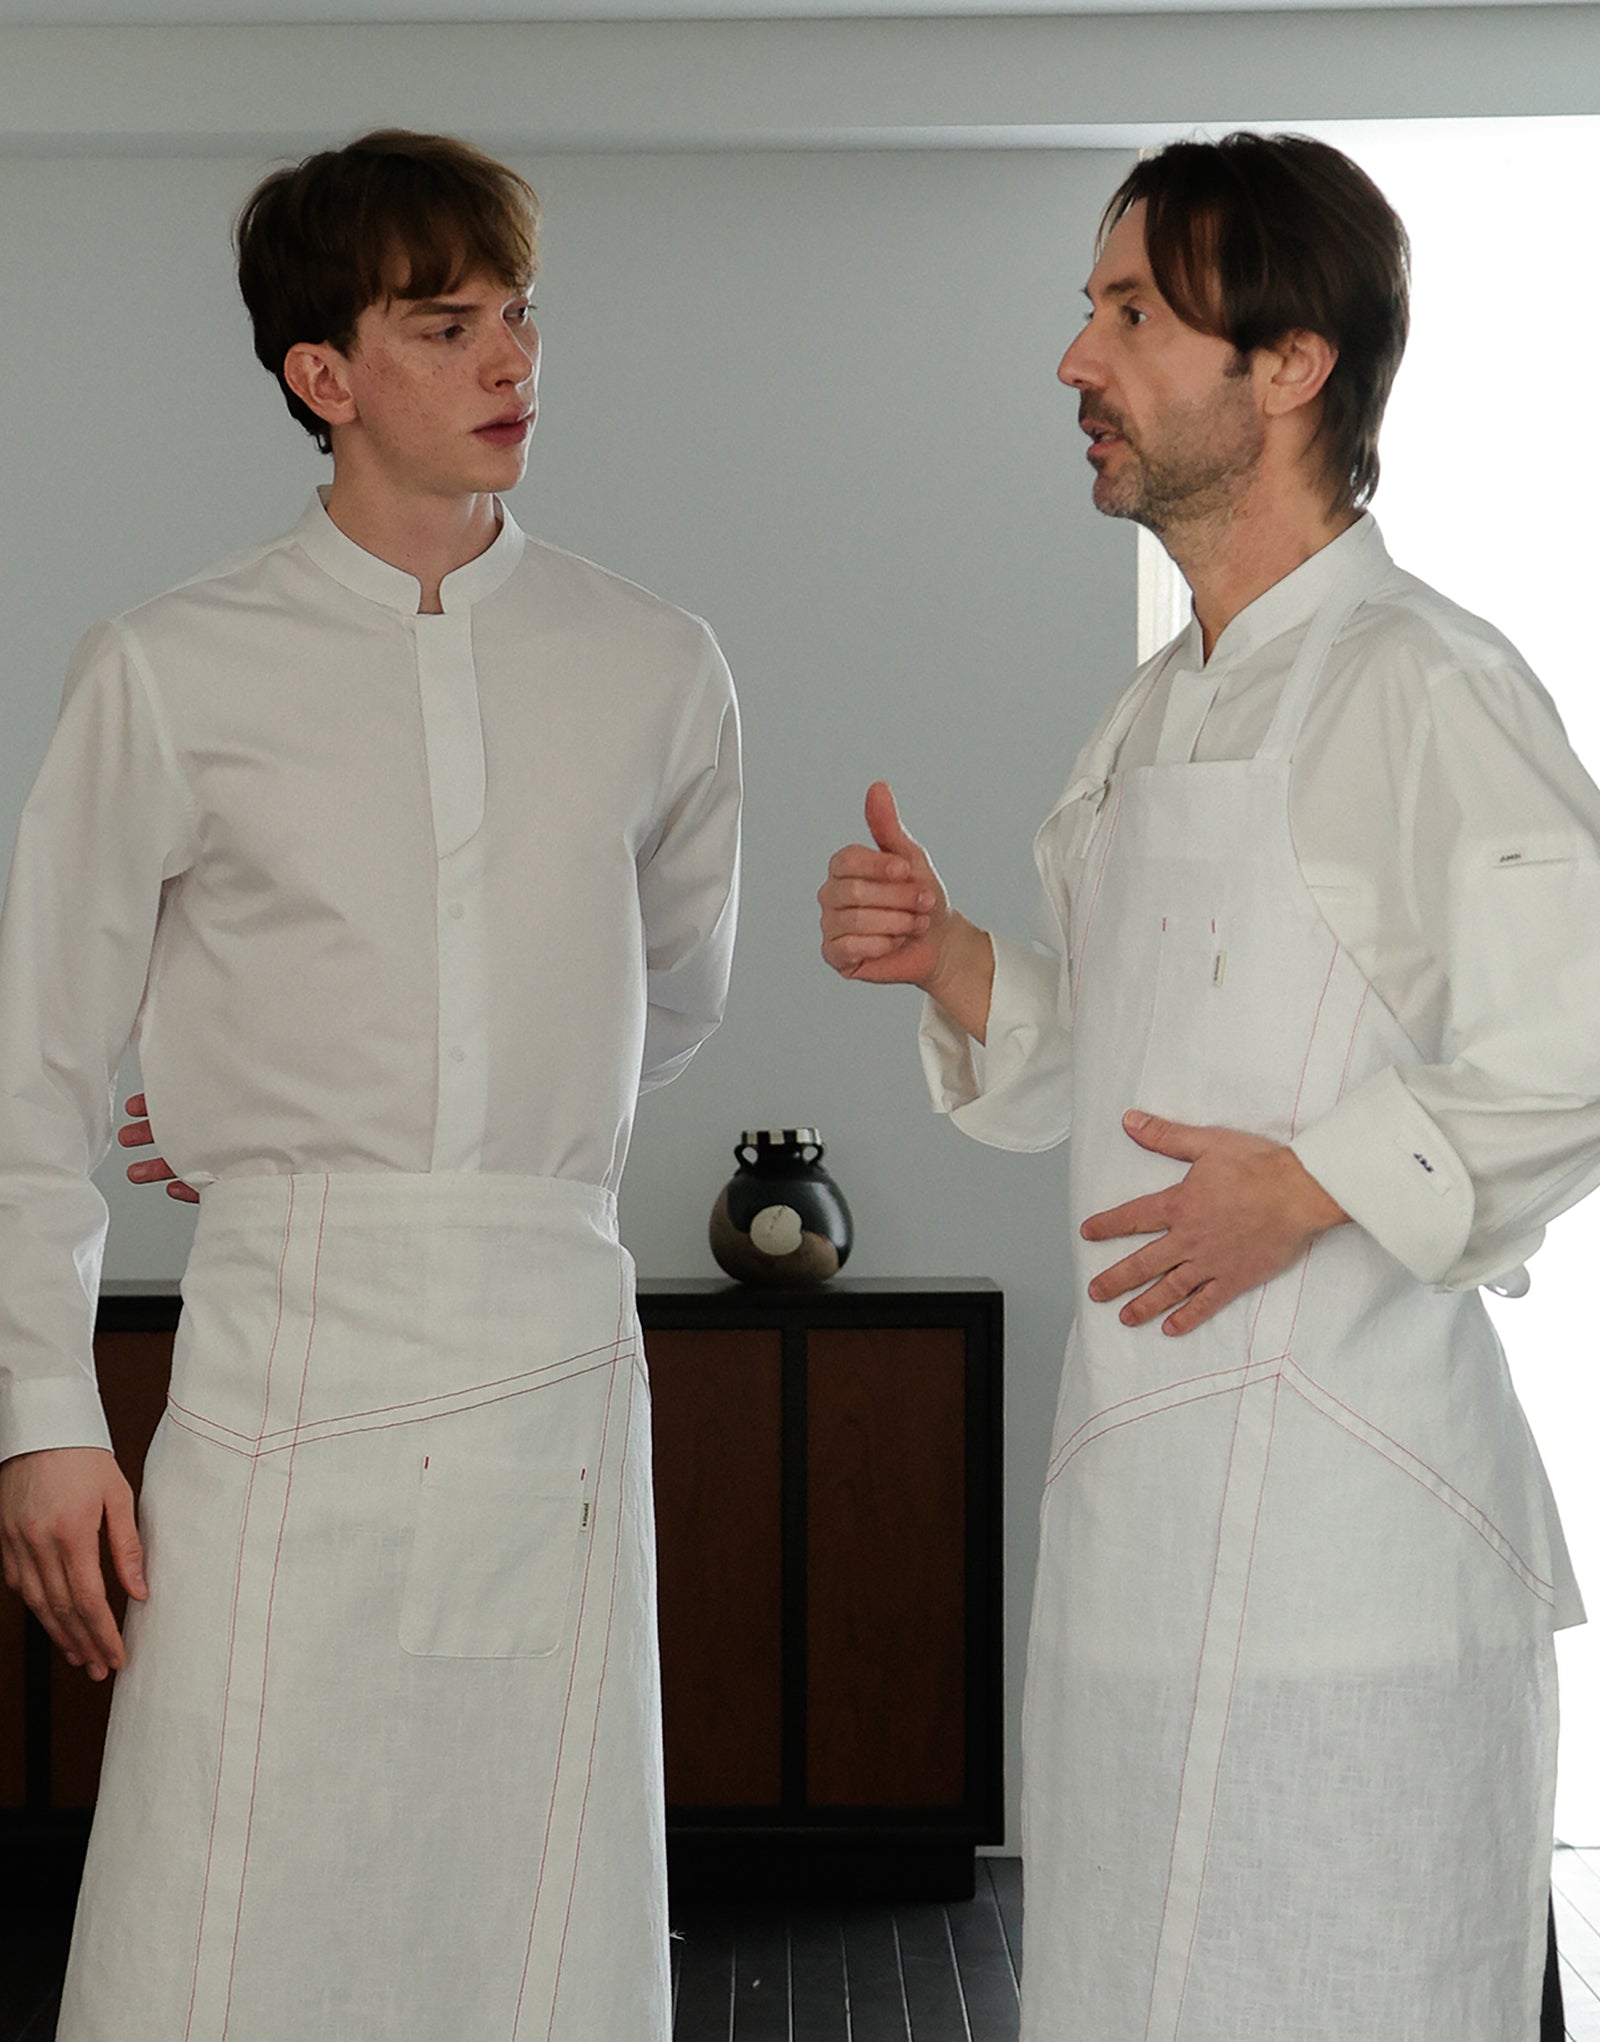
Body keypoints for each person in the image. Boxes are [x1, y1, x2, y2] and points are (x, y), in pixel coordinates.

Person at [819, 131, 1596, 2040]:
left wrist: (1310, 1186)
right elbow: (1120, 1058)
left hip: (1355, 1557)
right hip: (1139, 1554)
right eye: (1090, 309)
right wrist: (959, 959)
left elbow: (1578, 1034)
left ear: (1291, 365)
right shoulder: (1151, 714)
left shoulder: (1426, 683)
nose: (1075, 360)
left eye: (1131, 315)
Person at [0, 129, 740, 2042]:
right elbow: (36, 1066)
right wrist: (42, 1415)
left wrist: (418, 1111)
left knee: (537, 1912)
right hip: (283, 1367)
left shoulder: (657, 667)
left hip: (551, 1355)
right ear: (320, 373)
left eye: (521, 315)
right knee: (220, 1905)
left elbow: (663, 1002)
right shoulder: (169, 670)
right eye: (446, 324)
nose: (512, 361)